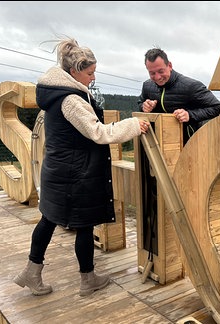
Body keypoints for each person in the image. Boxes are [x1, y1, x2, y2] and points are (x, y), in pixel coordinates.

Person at [13, 37, 150, 297]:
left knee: (49, 220)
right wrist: (134, 125)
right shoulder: (71, 100)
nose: (93, 78)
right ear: (74, 72)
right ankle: (87, 280)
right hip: (74, 175)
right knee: (84, 226)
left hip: (59, 170)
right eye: (89, 73)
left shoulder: (57, 94)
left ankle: (32, 272)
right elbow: (97, 132)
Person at [137, 47, 220, 144]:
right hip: (157, 145)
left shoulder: (191, 86)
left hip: (188, 145)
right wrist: (144, 107)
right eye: (152, 73)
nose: (157, 77)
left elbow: (217, 107)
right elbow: (140, 103)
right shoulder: (147, 86)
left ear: (169, 65)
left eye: (161, 71)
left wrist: (189, 115)